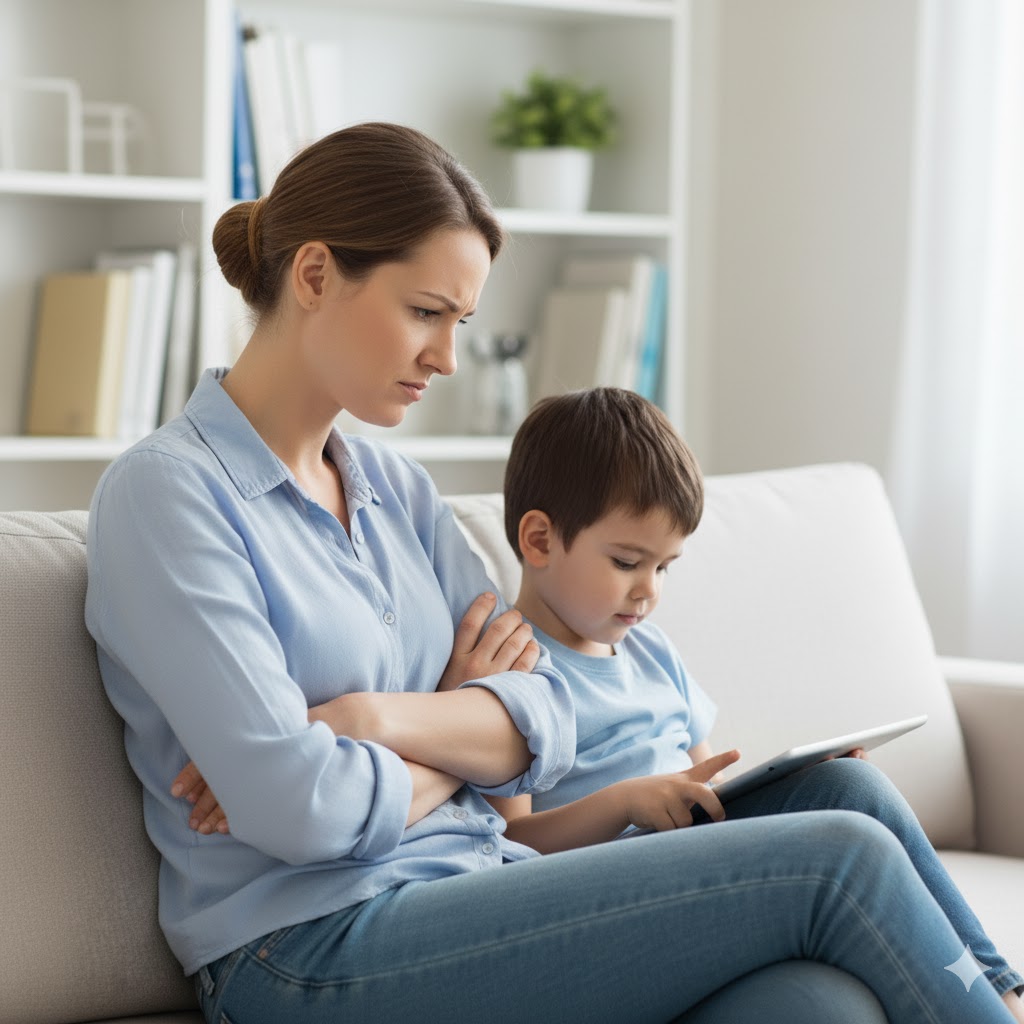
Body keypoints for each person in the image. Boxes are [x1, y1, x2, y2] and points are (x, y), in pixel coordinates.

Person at [85, 122, 1020, 1024]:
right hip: (303, 949)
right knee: (835, 858)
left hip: (485, 887)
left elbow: (546, 717)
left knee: (819, 1000)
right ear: (317, 274)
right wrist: (462, 728)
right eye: (424, 313)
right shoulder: (169, 497)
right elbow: (302, 812)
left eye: (460, 322)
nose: (446, 358)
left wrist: (371, 721)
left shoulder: (396, 493)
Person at [485, 387, 1024, 1019]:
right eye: (628, 562)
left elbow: (711, 793)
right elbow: (507, 848)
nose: (648, 592)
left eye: (665, 568)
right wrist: (625, 801)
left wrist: (792, 785)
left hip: (701, 864)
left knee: (849, 785)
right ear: (541, 540)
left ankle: (1002, 993)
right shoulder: (512, 664)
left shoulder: (652, 653)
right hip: (613, 899)